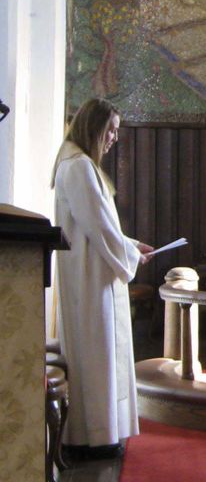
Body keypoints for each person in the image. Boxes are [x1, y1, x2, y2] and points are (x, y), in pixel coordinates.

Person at [52, 99, 153, 460]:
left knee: (99, 355)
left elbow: (99, 225)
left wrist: (129, 244)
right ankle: (92, 437)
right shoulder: (78, 166)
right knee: (96, 355)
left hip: (93, 272)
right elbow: (98, 226)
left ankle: (100, 432)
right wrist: (129, 254)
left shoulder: (78, 164)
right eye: (110, 130)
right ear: (92, 127)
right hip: (89, 279)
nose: (113, 138)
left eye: (116, 132)